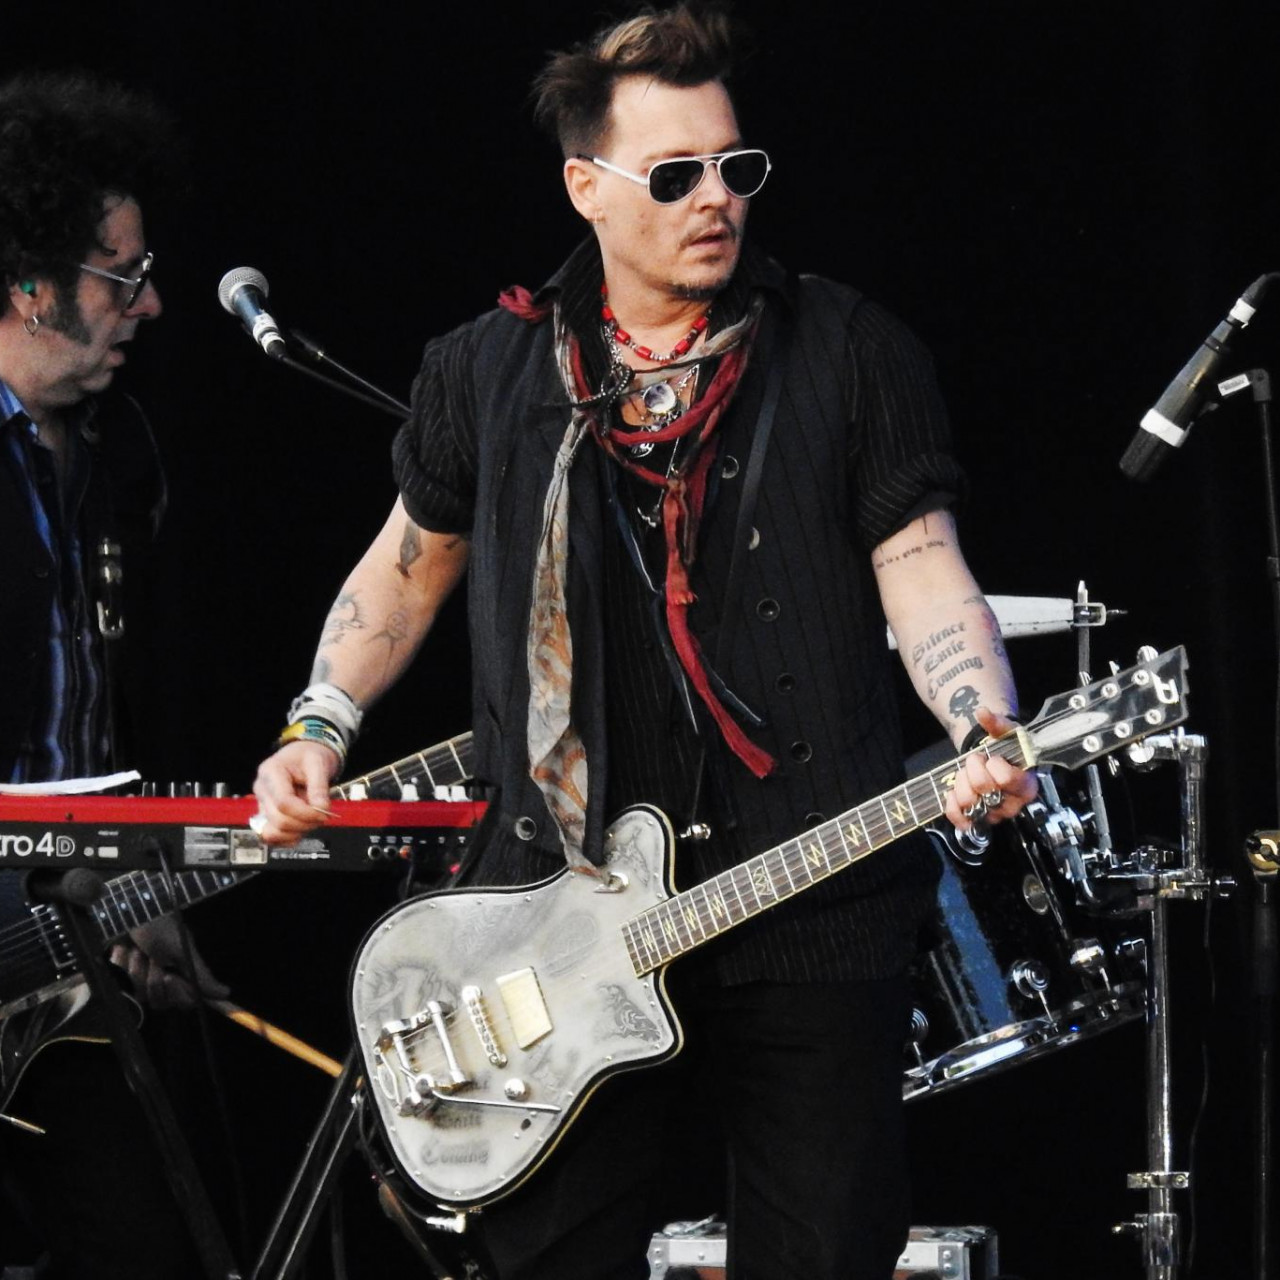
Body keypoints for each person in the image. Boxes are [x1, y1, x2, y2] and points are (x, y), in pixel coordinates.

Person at [252, 6, 1038, 1278]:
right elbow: (403, 568)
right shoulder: (487, 371)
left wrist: (976, 717)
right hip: (555, 913)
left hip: (808, 899)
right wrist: (319, 720)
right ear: (586, 188)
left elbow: (921, 566)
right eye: (674, 175)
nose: (715, 198)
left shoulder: (850, 350)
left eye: (736, 165)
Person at [0, 71, 224, 1279]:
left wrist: (145, 887)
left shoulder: (119, 452)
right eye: (120, 277)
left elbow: (102, 721)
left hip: (67, 953)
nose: (149, 303)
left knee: (141, 1245)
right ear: (31, 286)